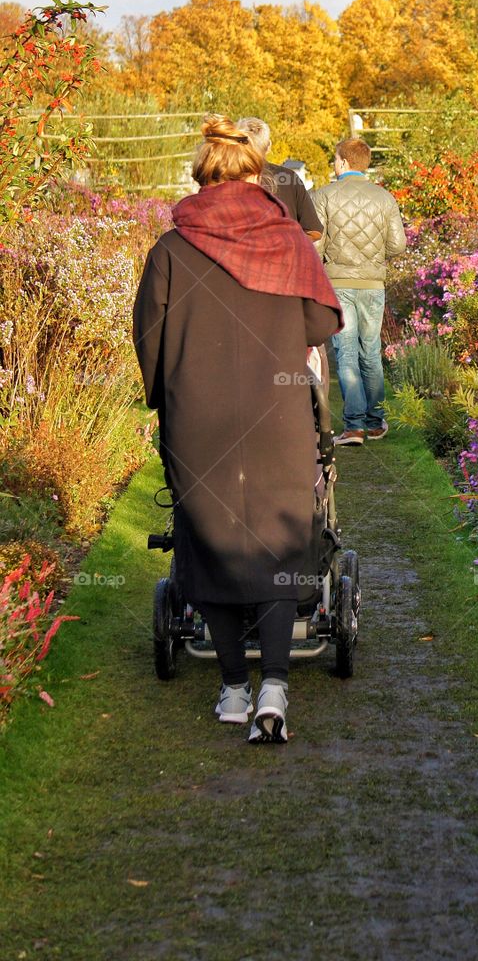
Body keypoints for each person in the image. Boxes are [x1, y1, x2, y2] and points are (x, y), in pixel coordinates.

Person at [132, 115, 342, 744]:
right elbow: (319, 325)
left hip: (199, 415)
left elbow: (148, 340)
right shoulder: (290, 243)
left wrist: (167, 391)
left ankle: (231, 689)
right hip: (276, 414)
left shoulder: (171, 250)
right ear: (257, 175)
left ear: (201, 173)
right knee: (279, 537)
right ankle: (274, 684)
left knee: (211, 535)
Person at [311, 137, 406, 446]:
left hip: (338, 283)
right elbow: (398, 245)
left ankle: (354, 427)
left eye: (335, 159)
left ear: (343, 163)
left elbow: (315, 244)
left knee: (346, 353)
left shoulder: (324, 196)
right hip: (372, 285)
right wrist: (374, 258)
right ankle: (375, 421)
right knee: (371, 352)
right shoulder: (384, 197)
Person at [235, 116, 323, 241]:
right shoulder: (289, 177)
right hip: (286, 258)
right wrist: (289, 245)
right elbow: (314, 231)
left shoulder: (227, 178)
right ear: (269, 146)